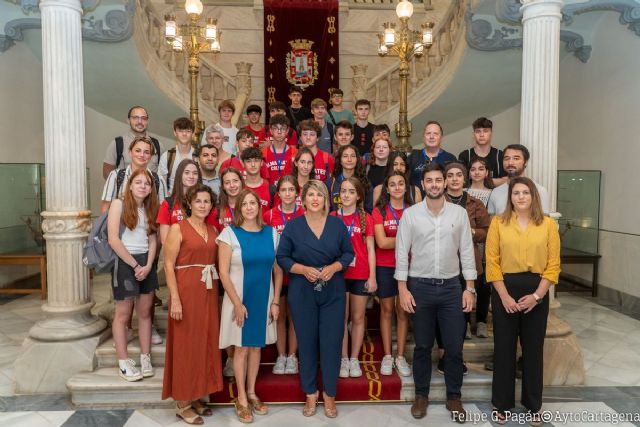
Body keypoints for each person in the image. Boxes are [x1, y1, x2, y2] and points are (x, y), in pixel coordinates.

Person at [396, 163, 476, 423]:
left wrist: (470, 288)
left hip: (452, 288)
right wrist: (403, 289)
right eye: (429, 180)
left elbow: (466, 252)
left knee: (453, 347)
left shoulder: (459, 213)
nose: (434, 184)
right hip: (420, 287)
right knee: (421, 346)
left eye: (438, 180)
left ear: (445, 183)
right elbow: (401, 254)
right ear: (422, 184)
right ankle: (421, 395)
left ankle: (454, 396)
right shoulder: (411, 215)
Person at [485, 176, 560, 426]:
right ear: (511, 198)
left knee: (533, 350)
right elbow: (492, 262)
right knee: (504, 349)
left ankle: (533, 405)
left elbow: (553, 265)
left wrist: (538, 296)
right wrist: (504, 296)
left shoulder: (548, 225)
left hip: (536, 290)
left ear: (533, 196)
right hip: (504, 288)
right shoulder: (498, 223)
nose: (521, 197)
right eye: (516, 193)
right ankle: (502, 404)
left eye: (525, 193)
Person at [276, 180, 354, 419]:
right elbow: (282, 257)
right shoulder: (293, 226)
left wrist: (335, 266)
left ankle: (329, 394)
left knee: (331, 343)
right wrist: (301, 269)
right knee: (307, 343)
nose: (315, 199)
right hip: (302, 290)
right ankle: (310, 392)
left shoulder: (337, 225)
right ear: (303, 199)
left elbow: (348, 253)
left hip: (333, 290)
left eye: (319, 195)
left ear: (325, 199)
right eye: (310, 194)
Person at [217, 189, 282, 423]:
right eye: (244, 204)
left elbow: (278, 269)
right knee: (241, 348)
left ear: (259, 206)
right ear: (239, 208)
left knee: (256, 347)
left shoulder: (271, 233)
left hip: (263, 298)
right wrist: (236, 303)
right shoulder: (229, 234)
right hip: (239, 300)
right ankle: (241, 398)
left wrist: (275, 301)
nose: (249, 207)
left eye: (253, 203)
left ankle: (253, 392)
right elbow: (223, 273)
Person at [162, 184, 223, 424]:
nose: (202, 205)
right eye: (198, 201)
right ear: (189, 203)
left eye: (207, 201)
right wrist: (175, 298)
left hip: (208, 291)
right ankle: (182, 402)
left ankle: (197, 394)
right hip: (186, 291)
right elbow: (168, 265)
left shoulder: (213, 229)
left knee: (204, 342)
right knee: (186, 345)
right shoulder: (178, 229)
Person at [107, 169, 159, 382]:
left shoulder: (150, 207)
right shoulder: (118, 204)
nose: (143, 186)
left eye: (147, 183)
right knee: (123, 314)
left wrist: (147, 265)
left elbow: (154, 239)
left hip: (146, 262)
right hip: (126, 261)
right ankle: (123, 363)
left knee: (145, 312)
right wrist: (135, 264)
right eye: (138, 182)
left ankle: (145, 357)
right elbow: (113, 240)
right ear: (130, 185)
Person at [330, 177, 376, 378]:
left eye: (351, 191)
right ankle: (343, 359)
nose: (346, 195)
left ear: (358, 196)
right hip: (338, 274)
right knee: (341, 318)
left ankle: (355, 359)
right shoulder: (332, 217)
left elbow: (371, 250)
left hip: (360, 274)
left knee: (357, 318)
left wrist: (372, 276)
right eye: (343, 191)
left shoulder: (366, 217)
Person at [372, 171, 414, 377]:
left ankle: (400, 356)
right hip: (385, 266)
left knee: (403, 311)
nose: (397, 187)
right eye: (392, 184)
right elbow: (381, 242)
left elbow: (418, 240)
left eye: (401, 184)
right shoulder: (379, 211)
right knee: (387, 310)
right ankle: (387, 356)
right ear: (387, 189)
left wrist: (396, 240)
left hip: (410, 267)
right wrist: (407, 239)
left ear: (406, 188)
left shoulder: (414, 211)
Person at [263, 176, 304, 375]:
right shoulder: (268, 216)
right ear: (278, 193)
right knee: (279, 316)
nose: (287, 194)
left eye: (291, 190)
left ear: (297, 193)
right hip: (275, 274)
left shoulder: (304, 214)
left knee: (296, 316)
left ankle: (292, 356)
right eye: (284, 190)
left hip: (298, 273)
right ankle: (281, 356)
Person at [157, 159, 218, 244]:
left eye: (195, 173)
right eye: (187, 172)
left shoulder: (206, 202)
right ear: (180, 175)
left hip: (201, 250)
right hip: (176, 253)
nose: (191, 176)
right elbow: (165, 240)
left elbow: (213, 234)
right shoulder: (168, 203)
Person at [101, 137, 167, 213]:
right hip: (120, 224)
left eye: (146, 152)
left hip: (149, 224)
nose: (142, 155)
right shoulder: (115, 175)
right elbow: (105, 206)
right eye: (138, 151)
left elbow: (164, 211)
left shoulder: (158, 179)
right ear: (130, 152)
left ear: (151, 157)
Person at [487, 144, 550, 215]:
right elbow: (491, 222)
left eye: (516, 158)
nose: (510, 163)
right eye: (506, 158)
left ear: (525, 162)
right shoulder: (496, 192)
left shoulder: (539, 191)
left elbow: (544, 222)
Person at [103, 106, 163, 179]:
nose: (140, 122)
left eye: (143, 118)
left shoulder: (158, 145)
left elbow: (162, 174)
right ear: (128, 120)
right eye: (135, 118)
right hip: (125, 190)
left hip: (150, 190)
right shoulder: (117, 144)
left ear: (147, 121)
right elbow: (107, 173)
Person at [408, 121, 457, 193]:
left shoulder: (450, 159)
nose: (431, 137)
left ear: (441, 138)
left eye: (435, 134)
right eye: (428, 133)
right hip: (417, 203)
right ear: (423, 137)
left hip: (442, 202)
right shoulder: (413, 157)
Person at [458, 117, 508, 187]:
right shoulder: (465, 155)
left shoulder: (500, 155)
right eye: (478, 131)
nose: (481, 135)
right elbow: (460, 180)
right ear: (473, 134)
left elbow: (506, 181)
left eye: (485, 131)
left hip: (494, 196)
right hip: (470, 196)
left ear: (491, 133)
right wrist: (491, 180)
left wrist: (478, 179)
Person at [159, 117, 195, 193]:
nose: (184, 134)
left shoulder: (199, 156)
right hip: (172, 201)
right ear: (175, 133)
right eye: (181, 131)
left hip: (195, 200)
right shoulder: (167, 156)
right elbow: (162, 184)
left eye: (188, 131)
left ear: (193, 134)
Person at [328, 144, 369, 212]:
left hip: (358, 221)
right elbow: (327, 208)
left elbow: (368, 209)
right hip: (336, 220)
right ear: (340, 160)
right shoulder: (332, 181)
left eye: (353, 156)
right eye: (345, 156)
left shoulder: (364, 181)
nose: (349, 159)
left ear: (357, 159)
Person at [262, 114, 298, 185]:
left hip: (290, 192)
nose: (279, 132)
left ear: (287, 130)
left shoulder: (296, 153)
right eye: (275, 128)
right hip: (270, 193)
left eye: (283, 128)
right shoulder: (263, 153)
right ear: (271, 131)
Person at [241, 147, 274, 213]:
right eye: (248, 161)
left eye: (256, 160)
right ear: (243, 164)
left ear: (261, 163)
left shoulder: (271, 189)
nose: (253, 165)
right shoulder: (239, 188)